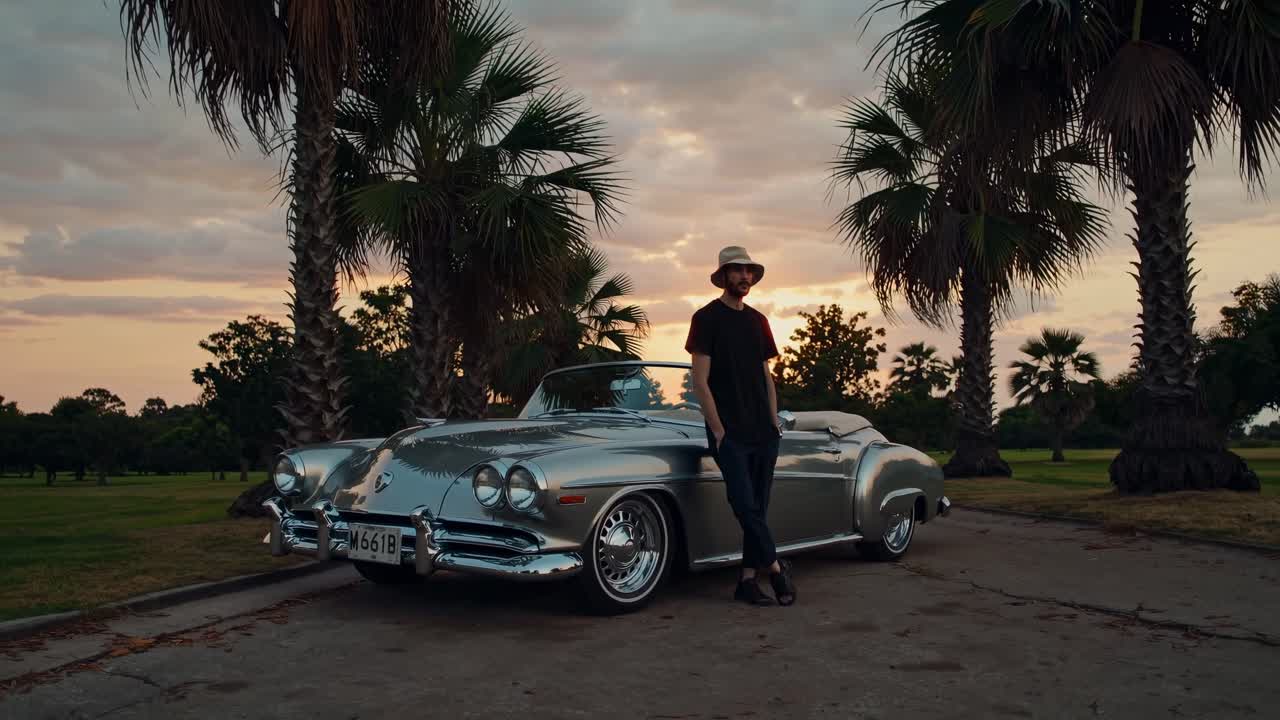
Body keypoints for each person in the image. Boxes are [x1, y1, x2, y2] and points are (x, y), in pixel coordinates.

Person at [684, 246, 797, 606]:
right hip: (730, 433)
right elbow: (700, 381)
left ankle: (747, 581)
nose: (744, 277)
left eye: (748, 271)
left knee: (758, 510)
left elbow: (767, 377)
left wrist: (773, 421)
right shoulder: (706, 318)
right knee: (745, 506)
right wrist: (718, 430)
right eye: (737, 271)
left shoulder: (758, 321)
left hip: (763, 432)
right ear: (723, 276)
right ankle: (777, 570)